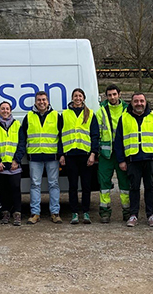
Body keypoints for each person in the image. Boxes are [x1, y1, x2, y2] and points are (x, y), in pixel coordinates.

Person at [15, 91, 63, 224]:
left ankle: (55, 213)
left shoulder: (56, 116)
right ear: (35, 102)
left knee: (54, 184)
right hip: (34, 157)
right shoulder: (29, 116)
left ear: (48, 101)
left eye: (44, 100)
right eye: (39, 100)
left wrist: (60, 154)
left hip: (52, 156)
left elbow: (61, 137)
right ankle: (35, 213)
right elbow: (22, 137)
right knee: (35, 185)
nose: (41, 102)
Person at [115, 92, 153, 227]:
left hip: (149, 158)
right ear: (131, 103)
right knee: (134, 188)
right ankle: (133, 215)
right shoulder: (124, 118)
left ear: (145, 102)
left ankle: (151, 215)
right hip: (133, 160)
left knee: (149, 188)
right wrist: (121, 160)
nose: (139, 104)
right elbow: (118, 142)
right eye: (136, 101)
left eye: (141, 101)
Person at [59, 88, 99, 224]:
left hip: (85, 155)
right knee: (73, 186)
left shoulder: (90, 114)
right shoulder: (64, 114)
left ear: (83, 98)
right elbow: (59, 136)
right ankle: (74, 213)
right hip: (70, 155)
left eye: (80, 96)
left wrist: (93, 154)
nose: (77, 98)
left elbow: (95, 135)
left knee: (86, 186)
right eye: (75, 96)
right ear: (72, 98)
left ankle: (86, 213)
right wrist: (61, 154)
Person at [96, 84, 130, 223]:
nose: (112, 97)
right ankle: (105, 212)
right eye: (109, 95)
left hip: (123, 153)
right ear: (106, 96)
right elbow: (96, 133)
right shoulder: (101, 111)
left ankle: (127, 211)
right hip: (106, 154)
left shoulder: (128, 110)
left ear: (119, 94)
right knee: (104, 184)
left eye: (114, 94)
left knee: (124, 184)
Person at [0, 101, 23, 226]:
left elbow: (22, 144)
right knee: (3, 191)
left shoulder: (17, 125)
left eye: (7, 109)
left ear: (10, 111)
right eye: (3, 109)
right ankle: (5, 214)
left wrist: (17, 160)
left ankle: (17, 214)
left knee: (15, 189)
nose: (5, 111)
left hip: (14, 166)